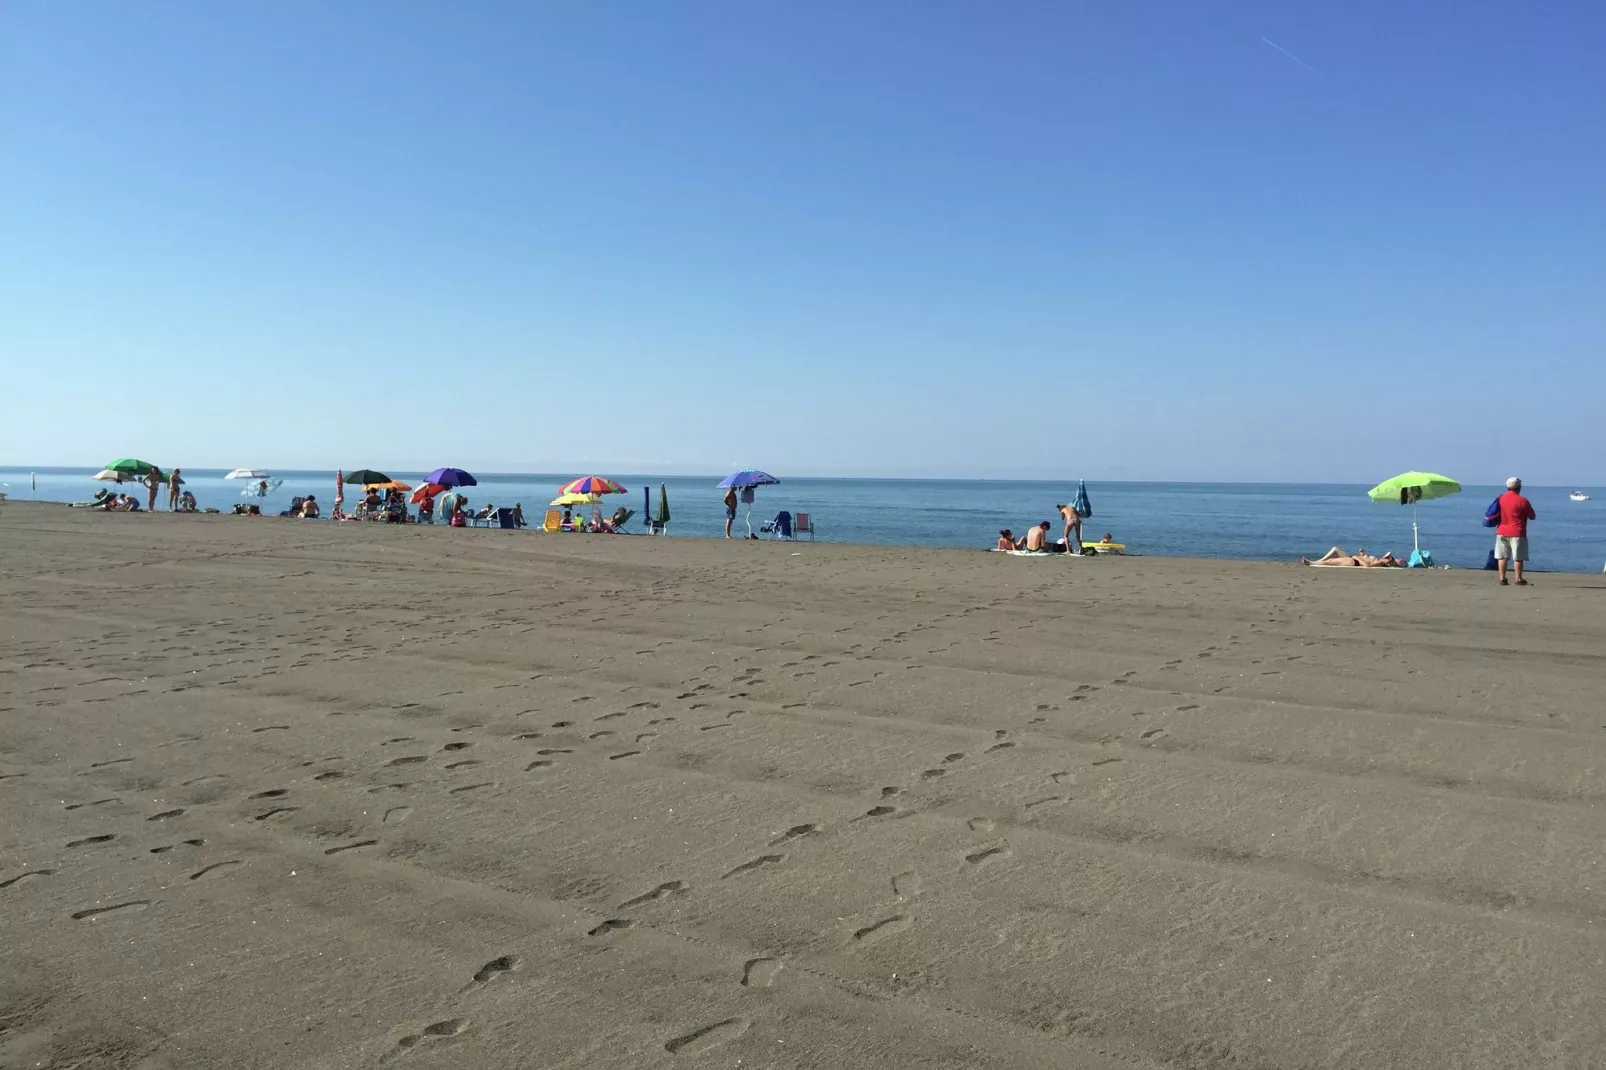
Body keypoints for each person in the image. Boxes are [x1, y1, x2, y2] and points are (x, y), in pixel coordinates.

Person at [1493, 476, 1537, 586]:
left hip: (1502, 530)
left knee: (1502, 556)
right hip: (1518, 531)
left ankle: (1502, 578)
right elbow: (1532, 516)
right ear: (1519, 487)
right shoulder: (1522, 500)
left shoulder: (1501, 498)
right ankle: (1518, 578)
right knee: (1518, 558)